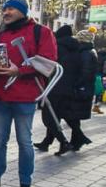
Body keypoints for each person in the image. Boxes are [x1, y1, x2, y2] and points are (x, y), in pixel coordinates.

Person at [0, 0, 56, 187]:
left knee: (25, 141)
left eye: (11, 9)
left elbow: (47, 62)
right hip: (1, 96)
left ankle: (25, 182)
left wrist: (19, 70)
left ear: (23, 11)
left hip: (25, 96)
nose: (6, 12)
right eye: (4, 9)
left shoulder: (41, 32)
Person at [34, 25, 97, 154]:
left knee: (51, 116)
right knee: (62, 116)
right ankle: (50, 142)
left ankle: (65, 142)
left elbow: (49, 67)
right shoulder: (77, 49)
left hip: (56, 87)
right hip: (68, 88)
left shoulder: (58, 47)